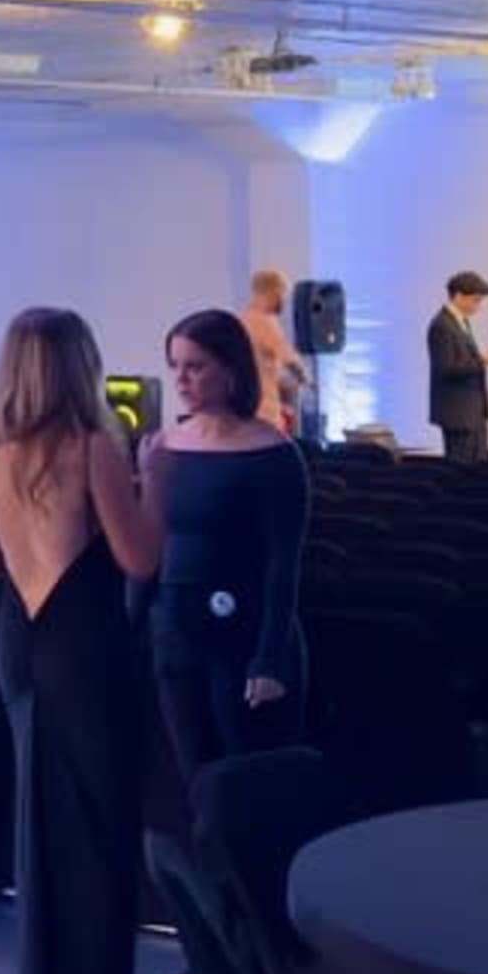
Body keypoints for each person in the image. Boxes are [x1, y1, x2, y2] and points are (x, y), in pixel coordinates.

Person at [0, 307, 174, 974]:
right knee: (103, 824)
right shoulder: (92, 446)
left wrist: (25, 565)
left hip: (19, 641)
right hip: (85, 645)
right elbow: (141, 558)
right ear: (80, 365)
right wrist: (160, 484)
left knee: (42, 825)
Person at [141, 308, 311, 797]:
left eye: (195, 366)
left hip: (245, 637)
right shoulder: (164, 446)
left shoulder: (274, 454)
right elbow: (150, 545)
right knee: (191, 781)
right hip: (177, 637)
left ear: (230, 369)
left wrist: (269, 658)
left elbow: (283, 564)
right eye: (175, 366)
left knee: (246, 784)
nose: (181, 379)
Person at [425, 270, 488, 463]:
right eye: (475, 300)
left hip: (473, 411)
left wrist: (480, 360)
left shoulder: (461, 322)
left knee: (479, 465)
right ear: (458, 296)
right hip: (457, 413)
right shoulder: (442, 325)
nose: (478, 306)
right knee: (460, 468)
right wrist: (482, 360)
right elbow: (447, 368)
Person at [239, 269, 305, 437]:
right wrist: (305, 379)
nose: (283, 302)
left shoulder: (241, 319)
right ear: (273, 293)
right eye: (283, 295)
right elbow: (291, 361)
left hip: (245, 409)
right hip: (265, 410)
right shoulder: (265, 322)